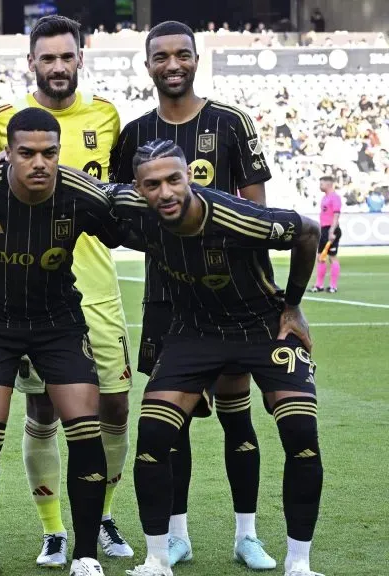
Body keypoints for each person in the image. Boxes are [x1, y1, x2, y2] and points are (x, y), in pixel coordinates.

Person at [109, 140, 323, 576]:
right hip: (194, 330)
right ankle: (158, 560)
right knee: (153, 433)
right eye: (153, 184)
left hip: (262, 326)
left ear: (190, 176)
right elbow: (81, 191)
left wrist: (293, 304)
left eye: (174, 179)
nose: (166, 192)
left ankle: (298, 565)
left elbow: (308, 231)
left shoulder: (236, 215)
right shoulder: (130, 209)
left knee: (301, 430)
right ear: (138, 188)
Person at [109, 21, 275, 569]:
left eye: (182, 55)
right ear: (148, 64)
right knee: (167, 419)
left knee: (235, 412)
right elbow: (121, 213)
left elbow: (259, 216)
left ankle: (246, 533)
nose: (172, 65)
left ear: (197, 59)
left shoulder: (230, 123)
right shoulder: (133, 133)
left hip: (232, 301)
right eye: (161, 57)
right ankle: (174, 535)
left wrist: (271, 300)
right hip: (166, 300)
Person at [0, 107, 121, 576]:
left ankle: (85, 555)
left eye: (49, 152)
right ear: (8, 153)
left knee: (85, 431)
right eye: (27, 153)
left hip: (59, 321)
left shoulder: (83, 194)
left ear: (60, 153)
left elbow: (127, 225)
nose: (39, 162)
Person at [0, 15, 134, 566]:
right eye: (46, 58)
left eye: (66, 56)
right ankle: (53, 530)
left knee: (114, 409)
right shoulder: (5, 121)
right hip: (36, 293)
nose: (57, 67)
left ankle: (103, 518)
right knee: (45, 411)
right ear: (31, 63)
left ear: (80, 58)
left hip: (97, 289)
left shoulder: (107, 116)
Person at [311, 176, 341, 293]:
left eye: (322, 184)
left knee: (332, 257)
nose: (320, 186)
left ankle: (333, 286)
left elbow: (336, 215)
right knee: (320, 257)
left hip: (331, 230)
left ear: (329, 184)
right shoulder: (325, 197)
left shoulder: (335, 198)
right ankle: (319, 285)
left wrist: (332, 231)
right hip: (324, 230)